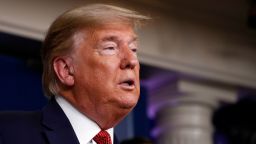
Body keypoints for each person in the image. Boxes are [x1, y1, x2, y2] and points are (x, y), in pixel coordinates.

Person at [0, 4, 149, 144]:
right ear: (66, 70)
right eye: (110, 48)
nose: (131, 61)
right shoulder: (7, 133)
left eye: (133, 49)